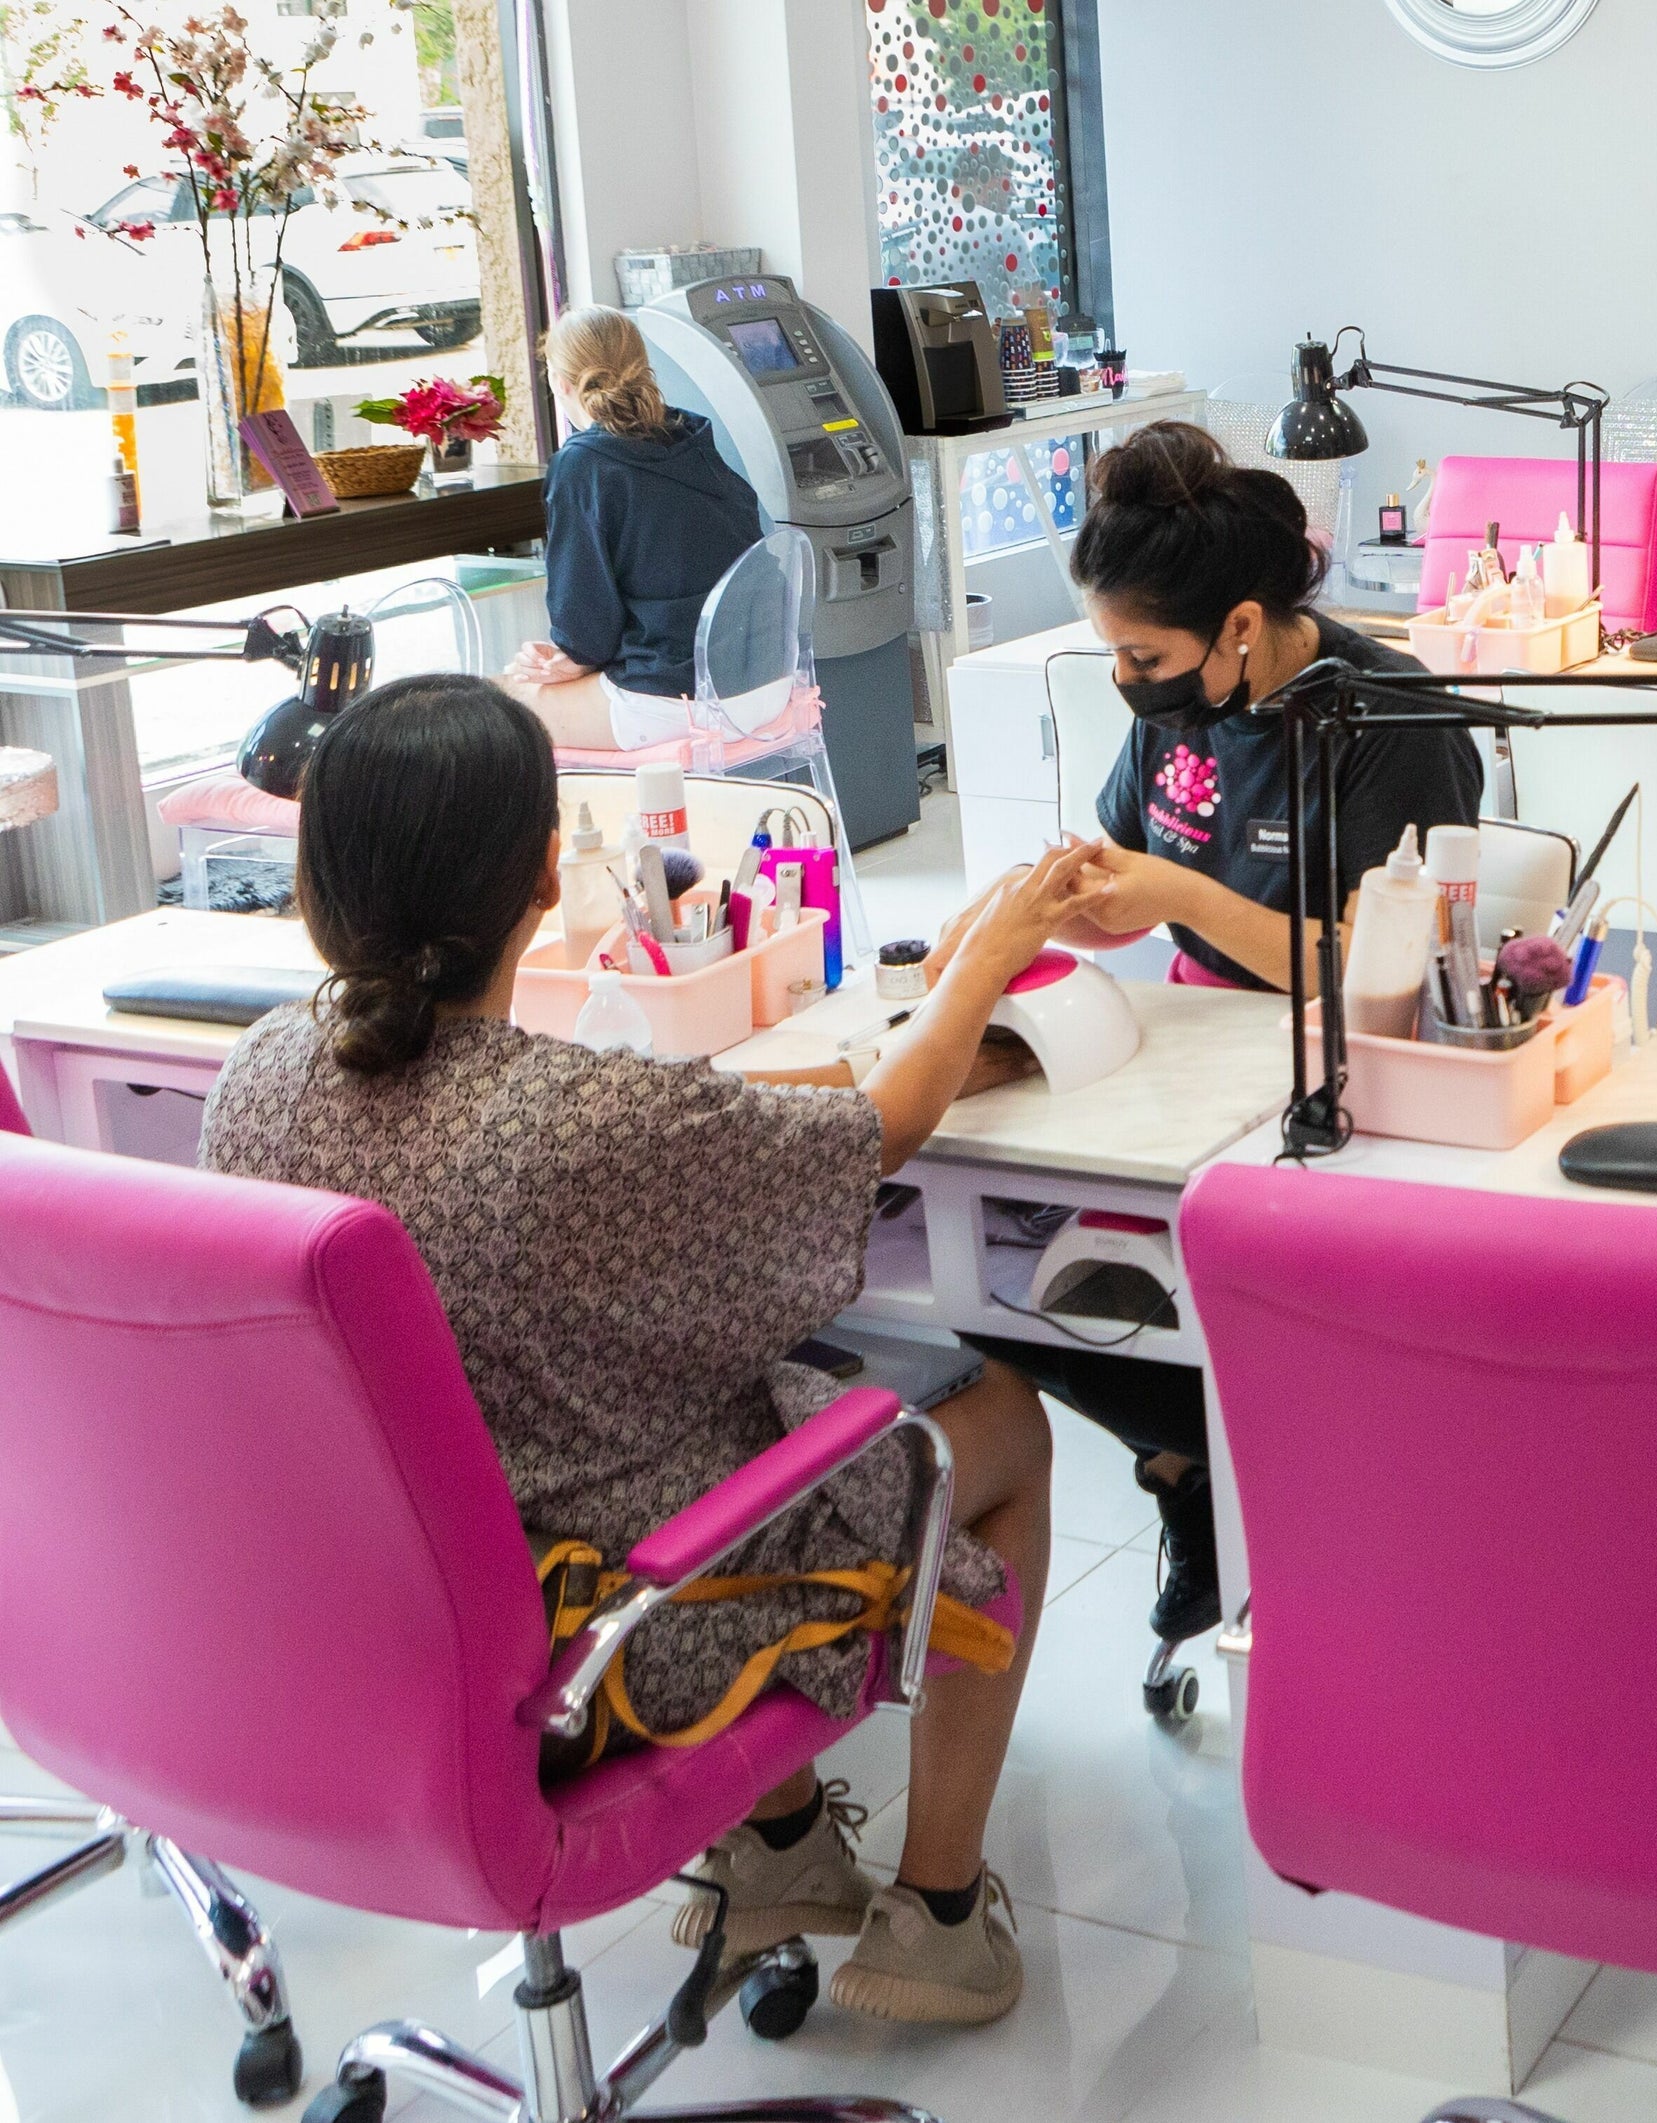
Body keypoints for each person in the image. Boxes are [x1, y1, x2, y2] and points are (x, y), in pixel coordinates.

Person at [198, 673, 1098, 2025]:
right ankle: (944, 1914)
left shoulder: (256, 1080)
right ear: (545, 873)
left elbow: (671, 1134)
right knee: (1002, 1424)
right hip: (600, 1639)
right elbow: (883, 1129)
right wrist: (982, 967)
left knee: (680, 1408)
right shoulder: (574, 1128)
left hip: (370, 1627)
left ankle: (783, 1848)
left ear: (316, 887)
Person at [957, 420, 1483, 1648]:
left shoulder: (1390, 721)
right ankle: (1190, 1460)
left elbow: (1377, 977)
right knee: (984, 1279)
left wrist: (1182, 895)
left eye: (1141, 655)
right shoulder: (1178, 700)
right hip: (1186, 1050)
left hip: (1338, 1072)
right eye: (1112, 652)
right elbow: (1122, 881)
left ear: (1241, 624)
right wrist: (1021, 920)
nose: (1124, 681)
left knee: (1225, 1300)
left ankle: (1245, 1490)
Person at [504, 305, 771, 753]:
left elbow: (585, 630)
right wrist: (576, 655)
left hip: (678, 696)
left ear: (559, 382)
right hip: (764, 677)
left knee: (498, 706)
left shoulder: (583, 465)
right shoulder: (691, 438)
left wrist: (569, 657)